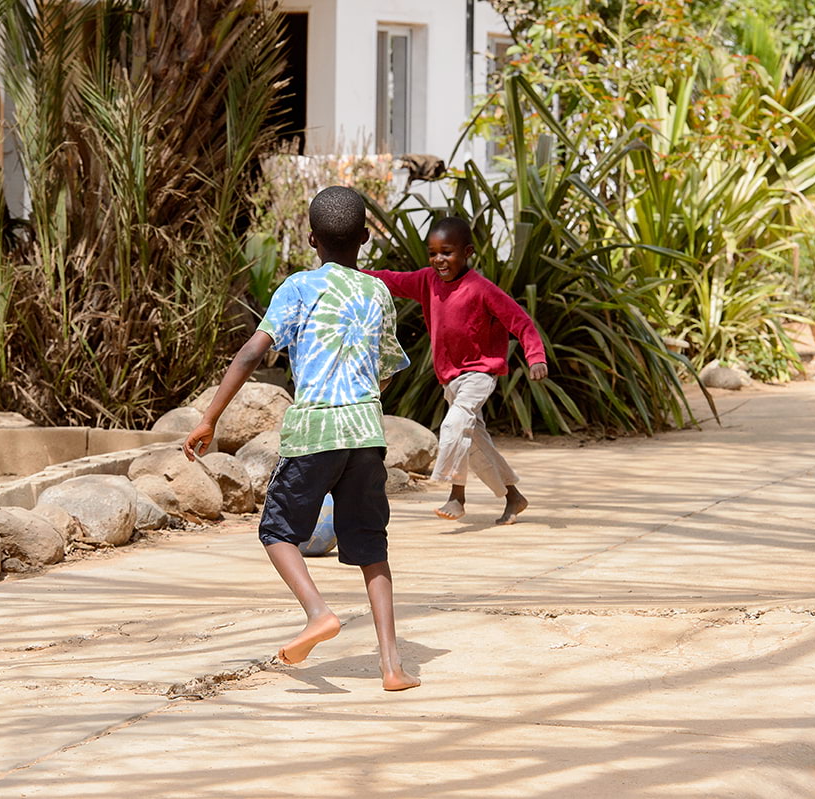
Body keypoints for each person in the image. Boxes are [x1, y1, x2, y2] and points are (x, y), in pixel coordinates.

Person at [183, 186, 420, 692]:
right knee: (372, 546)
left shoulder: (297, 288)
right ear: (365, 237)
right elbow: (387, 369)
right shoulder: (377, 292)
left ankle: (318, 613)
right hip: (366, 433)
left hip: (315, 431)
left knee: (277, 531)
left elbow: (250, 354)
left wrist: (209, 419)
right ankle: (393, 667)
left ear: (311, 239)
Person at [364, 216, 548, 525]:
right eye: (433, 252)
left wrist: (536, 356)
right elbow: (391, 279)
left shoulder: (482, 289)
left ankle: (456, 495)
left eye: (447, 252)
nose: (438, 260)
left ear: (467, 252)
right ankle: (513, 497)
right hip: (449, 378)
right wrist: (353, 273)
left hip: (479, 373)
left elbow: (521, 321)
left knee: (454, 426)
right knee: (476, 445)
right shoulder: (427, 281)